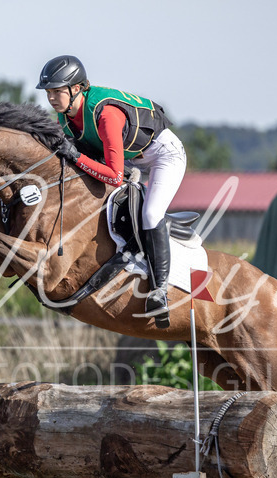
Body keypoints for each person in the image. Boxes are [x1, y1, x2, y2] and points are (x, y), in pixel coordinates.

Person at [36, 54, 187, 325]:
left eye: (57, 91)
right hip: (131, 159)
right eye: (49, 92)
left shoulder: (106, 115)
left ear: (77, 89)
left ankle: (159, 291)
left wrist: (77, 157)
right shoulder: (66, 118)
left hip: (164, 155)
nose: (51, 98)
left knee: (151, 214)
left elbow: (114, 177)